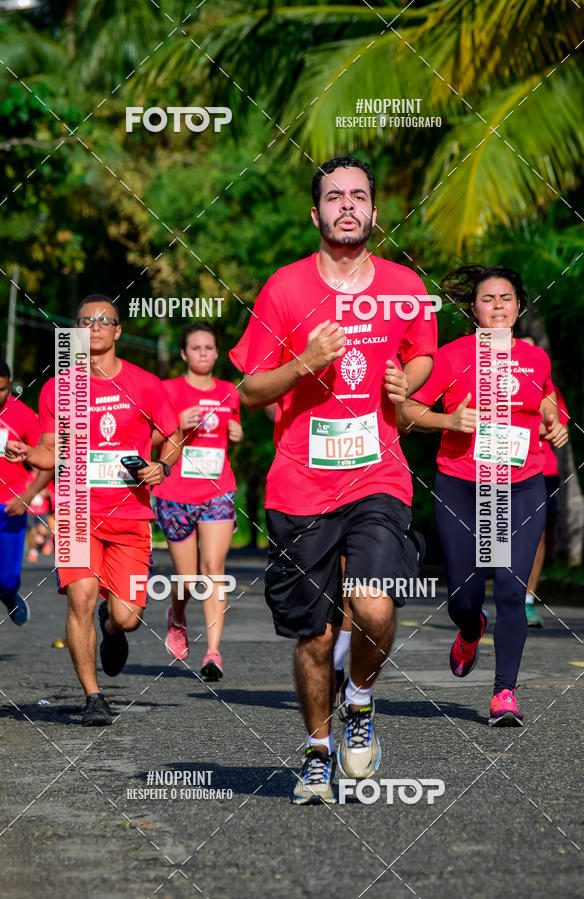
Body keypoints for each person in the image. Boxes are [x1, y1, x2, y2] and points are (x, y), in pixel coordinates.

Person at [230, 156, 437, 804]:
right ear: (315, 213)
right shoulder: (284, 289)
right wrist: (303, 363)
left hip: (377, 472)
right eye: (334, 197)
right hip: (300, 485)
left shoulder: (405, 283)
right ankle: (318, 751)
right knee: (314, 634)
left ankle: (362, 700)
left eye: (358, 196)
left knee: (375, 603)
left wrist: (413, 379)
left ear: (375, 212)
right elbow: (248, 388)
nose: (347, 206)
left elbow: (422, 348)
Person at [400, 265, 567, 726]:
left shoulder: (535, 359)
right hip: (462, 485)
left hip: (521, 484)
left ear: (519, 306)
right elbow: (405, 413)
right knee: (464, 599)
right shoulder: (452, 357)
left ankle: (504, 694)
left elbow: (547, 397)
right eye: (488, 299)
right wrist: (449, 422)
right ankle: (470, 630)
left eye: (506, 298)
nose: (498, 306)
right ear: (473, 308)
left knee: (513, 591)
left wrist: (557, 421)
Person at [6, 295, 181, 725]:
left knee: (127, 617)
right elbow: (53, 453)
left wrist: (161, 465)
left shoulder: (145, 384)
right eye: (87, 321)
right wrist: (27, 452)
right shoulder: (57, 389)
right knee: (80, 599)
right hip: (77, 514)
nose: (96, 326)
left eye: (105, 320)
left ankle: (112, 625)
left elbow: (174, 435)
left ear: (118, 331)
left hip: (130, 519)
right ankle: (94, 697)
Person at [153, 322, 243, 681]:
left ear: (217, 353)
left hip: (217, 489)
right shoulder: (167, 389)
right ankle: (177, 614)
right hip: (176, 492)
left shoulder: (229, 392)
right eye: (196, 348)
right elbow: (150, 433)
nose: (203, 353)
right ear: (184, 354)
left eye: (209, 348)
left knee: (213, 568)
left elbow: (232, 430)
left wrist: (237, 433)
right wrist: (175, 422)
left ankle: (213, 653)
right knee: (189, 580)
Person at [0, 358, 53, 665]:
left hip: (12, 506)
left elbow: (47, 460)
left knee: (7, 578)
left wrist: (28, 495)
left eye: (1, 389)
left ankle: (10, 597)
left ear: (10, 385)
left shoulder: (24, 417)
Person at [520, 339, 570, 627]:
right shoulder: (491, 383)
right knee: (499, 533)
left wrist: (519, 424)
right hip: (495, 469)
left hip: (541, 468)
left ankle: (526, 601)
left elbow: (557, 426)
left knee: (536, 535)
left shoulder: (547, 387)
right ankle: (500, 594)